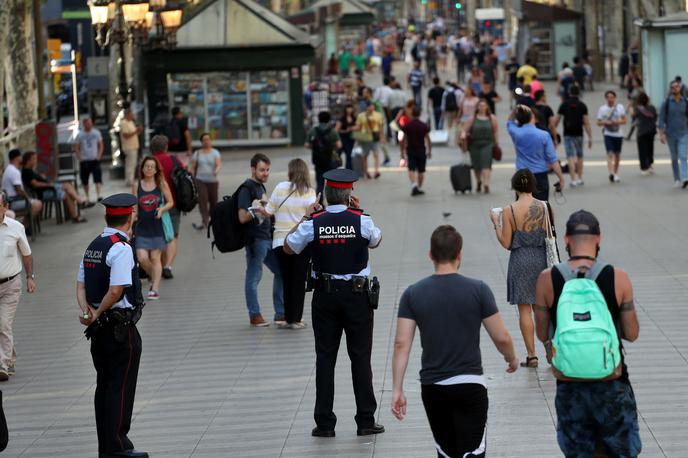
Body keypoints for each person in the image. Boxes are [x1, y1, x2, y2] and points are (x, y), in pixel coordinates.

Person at [391, 225, 518, 458]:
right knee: (472, 451)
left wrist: (397, 388)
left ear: (430, 254)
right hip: (470, 384)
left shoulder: (412, 294)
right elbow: (501, 336)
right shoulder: (478, 290)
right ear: (460, 254)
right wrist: (511, 358)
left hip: (433, 387)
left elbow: (401, 343)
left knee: (447, 451)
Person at [284, 169, 384, 439]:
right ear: (349, 194)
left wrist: (307, 215)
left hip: (325, 297)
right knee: (360, 357)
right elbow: (376, 240)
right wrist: (361, 211)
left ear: (326, 194)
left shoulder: (314, 222)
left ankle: (325, 423)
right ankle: (365, 420)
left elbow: (288, 247)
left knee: (325, 359)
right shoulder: (361, 219)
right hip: (357, 297)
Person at [534, 210, 641, 458]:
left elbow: (542, 334)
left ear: (566, 239)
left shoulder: (547, 279)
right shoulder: (619, 277)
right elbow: (632, 334)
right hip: (611, 383)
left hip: (570, 384)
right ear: (599, 239)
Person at [76, 193, 148, 458]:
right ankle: (118, 446)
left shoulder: (94, 245)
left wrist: (88, 311)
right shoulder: (121, 247)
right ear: (130, 216)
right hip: (120, 330)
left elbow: (80, 284)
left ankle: (106, 446)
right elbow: (117, 291)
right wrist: (98, 313)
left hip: (100, 332)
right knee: (120, 386)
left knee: (104, 386)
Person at [491, 169, 552, 369]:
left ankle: (532, 356)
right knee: (541, 309)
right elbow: (550, 237)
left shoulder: (509, 210)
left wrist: (496, 225)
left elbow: (507, 243)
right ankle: (551, 351)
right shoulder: (545, 207)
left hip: (520, 260)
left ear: (515, 187)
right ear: (534, 186)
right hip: (541, 260)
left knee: (525, 310)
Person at [261, 159, 317, 329]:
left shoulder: (280, 188)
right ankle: (296, 319)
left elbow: (268, 212)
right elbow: (312, 219)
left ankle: (287, 317)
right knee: (299, 280)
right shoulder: (310, 193)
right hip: (301, 242)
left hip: (280, 241)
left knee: (286, 279)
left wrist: (259, 207)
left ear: (290, 171)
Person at [237, 153, 284, 327]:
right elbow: (242, 217)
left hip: (268, 238)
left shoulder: (260, 188)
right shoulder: (246, 188)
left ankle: (280, 313)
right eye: (262, 170)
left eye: (267, 170)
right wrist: (257, 209)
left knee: (281, 272)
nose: (265, 173)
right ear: (253, 169)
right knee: (254, 276)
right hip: (256, 240)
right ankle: (254, 314)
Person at [0, 190, 35, 380]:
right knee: (1, 325)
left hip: (11, 284)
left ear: (5, 207)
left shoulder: (15, 227)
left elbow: (27, 254)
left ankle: (3, 365)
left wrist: (30, 276)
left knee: (4, 323)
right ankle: (9, 357)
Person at [132, 156, 173, 301]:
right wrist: (130, 224)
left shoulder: (160, 183)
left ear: (156, 170)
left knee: (155, 258)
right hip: (142, 227)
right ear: (142, 169)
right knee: (142, 258)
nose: (149, 169)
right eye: (146, 166)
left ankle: (154, 288)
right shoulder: (137, 184)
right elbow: (134, 207)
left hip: (157, 227)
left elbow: (170, 202)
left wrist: (162, 210)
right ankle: (155, 275)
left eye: (152, 167)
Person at [507, 105, 565, 201]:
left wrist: (515, 109)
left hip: (522, 174)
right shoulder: (544, 135)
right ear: (533, 117)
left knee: (522, 207)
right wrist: (561, 178)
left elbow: (509, 122)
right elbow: (553, 160)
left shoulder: (516, 132)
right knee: (540, 207)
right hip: (540, 175)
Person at [20, 151, 88, 223]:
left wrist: (42, 177)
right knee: (67, 185)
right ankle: (80, 201)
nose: (35, 161)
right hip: (43, 193)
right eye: (34, 159)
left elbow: (36, 180)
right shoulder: (27, 171)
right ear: (28, 160)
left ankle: (75, 216)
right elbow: (35, 184)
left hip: (47, 190)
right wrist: (49, 184)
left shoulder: (30, 170)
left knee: (68, 193)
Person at [150, 135, 183, 279]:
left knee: (160, 235)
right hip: (173, 203)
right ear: (166, 147)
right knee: (172, 236)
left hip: (153, 205)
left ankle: (160, 265)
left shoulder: (149, 163)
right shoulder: (174, 160)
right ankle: (167, 266)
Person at [554, 85, 593, 187]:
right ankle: (580, 178)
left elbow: (556, 120)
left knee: (570, 157)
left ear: (569, 92)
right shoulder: (582, 105)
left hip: (568, 134)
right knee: (580, 156)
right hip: (579, 133)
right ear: (578, 92)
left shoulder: (564, 104)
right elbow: (586, 123)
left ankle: (573, 180)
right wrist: (590, 137)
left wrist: (553, 132)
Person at [461, 99, 499, 194]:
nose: (482, 107)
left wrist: (496, 142)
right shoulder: (472, 118)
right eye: (480, 105)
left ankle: (486, 184)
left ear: (487, 107)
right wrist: (463, 135)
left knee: (486, 164)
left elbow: (495, 130)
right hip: (474, 144)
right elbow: (465, 129)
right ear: (477, 107)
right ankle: (479, 181)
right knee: (476, 165)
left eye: (483, 105)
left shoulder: (492, 118)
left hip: (488, 144)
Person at [658, 79, 688, 188]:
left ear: (680, 88)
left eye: (677, 86)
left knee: (683, 156)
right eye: (673, 87)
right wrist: (661, 134)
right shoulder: (666, 103)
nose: (675, 88)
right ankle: (677, 179)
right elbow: (661, 119)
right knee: (674, 157)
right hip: (670, 134)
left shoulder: (685, 102)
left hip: (684, 133)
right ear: (670, 89)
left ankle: (685, 178)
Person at [307, 111, 342, 201]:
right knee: (333, 182)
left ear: (318, 119)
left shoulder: (313, 130)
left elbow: (307, 144)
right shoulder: (332, 131)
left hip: (318, 160)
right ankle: (334, 201)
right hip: (330, 160)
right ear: (329, 119)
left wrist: (316, 148)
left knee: (319, 183)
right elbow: (339, 145)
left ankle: (319, 202)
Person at [2, 149, 43, 224]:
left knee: (35, 202)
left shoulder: (9, 169)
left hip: (10, 201)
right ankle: (24, 227)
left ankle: (25, 227)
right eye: (21, 156)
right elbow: (19, 190)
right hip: (13, 201)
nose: (22, 158)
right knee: (37, 204)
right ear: (17, 158)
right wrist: (29, 199)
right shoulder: (13, 171)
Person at [191, 133, 221, 230]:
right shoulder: (197, 153)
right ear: (201, 142)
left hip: (213, 180)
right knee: (202, 200)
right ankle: (205, 221)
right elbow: (193, 167)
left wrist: (216, 170)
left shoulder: (215, 152)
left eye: (208, 139)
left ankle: (212, 219)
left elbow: (218, 164)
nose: (207, 142)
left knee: (214, 201)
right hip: (200, 180)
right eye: (204, 140)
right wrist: (191, 177)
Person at [596, 90, 627, 183]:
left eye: (612, 97)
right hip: (608, 134)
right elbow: (598, 122)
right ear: (606, 98)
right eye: (608, 97)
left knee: (617, 154)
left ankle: (616, 173)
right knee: (610, 154)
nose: (610, 99)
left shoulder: (620, 107)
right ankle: (611, 173)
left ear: (615, 98)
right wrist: (606, 122)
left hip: (618, 134)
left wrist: (617, 122)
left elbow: (625, 120)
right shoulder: (602, 109)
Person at [400, 106, 431, 196]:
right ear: (420, 114)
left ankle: (414, 185)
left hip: (411, 149)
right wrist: (430, 150)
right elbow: (428, 139)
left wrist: (402, 152)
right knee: (421, 170)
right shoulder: (424, 125)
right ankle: (418, 187)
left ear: (412, 114)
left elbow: (402, 139)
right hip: (421, 150)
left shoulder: (407, 126)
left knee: (411, 168)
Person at [75, 117, 104, 203]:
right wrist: (79, 157)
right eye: (87, 123)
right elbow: (77, 147)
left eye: (90, 123)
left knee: (97, 178)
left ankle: (99, 195)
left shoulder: (96, 133)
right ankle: (87, 196)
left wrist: (99, 156)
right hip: (84, 160)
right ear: (84, 124)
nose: (89, 125)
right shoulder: (80, 134)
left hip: (94, 159)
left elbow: (101, 145)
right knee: (85, 179)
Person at [354, 101, 384, 179]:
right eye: (370, 106)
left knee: (376, 154)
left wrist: (382, 137)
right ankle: (366, 171)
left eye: (372, 106)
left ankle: (377, 171)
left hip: (375, 136)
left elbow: (381, 126)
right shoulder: (361, 116)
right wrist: (357, 137)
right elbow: (358, 126)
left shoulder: (378, 115)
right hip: (365, 137)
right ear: (367, 107)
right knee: (365, 155)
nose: (371, 107)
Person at [634, 92, 658, 175]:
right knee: (650, 148)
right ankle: (650, 164)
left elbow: (635, 117)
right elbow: (655, 117)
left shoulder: (637, 109)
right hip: (651, 130)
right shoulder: (652, 108)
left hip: (641, 132)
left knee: (642, 150)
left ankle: (644, 167)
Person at [119, 109, 144, 186]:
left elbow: (135, 134)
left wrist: (139, 130)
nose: (133, 115)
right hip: (128, 147)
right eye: (131, 114)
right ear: (127, 115)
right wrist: (136, 131)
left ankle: (131, 179)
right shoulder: (124, 123)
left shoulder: (131, 122)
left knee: (132, 164)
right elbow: (126, 135)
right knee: (130, 164)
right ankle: (129, 181)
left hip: (134, 146)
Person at [336, 104, 356, 170]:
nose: (349, 110)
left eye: (350, 108)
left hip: (351, 139)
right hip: (342, 138)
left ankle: (349, 170)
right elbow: (337, 130)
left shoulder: (354, 118)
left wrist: (353, 128)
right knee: (338, 154)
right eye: (348, 108)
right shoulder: (342, 118)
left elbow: (358, 126)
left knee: (349, 155)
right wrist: (345, 131)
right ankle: (338, 168)